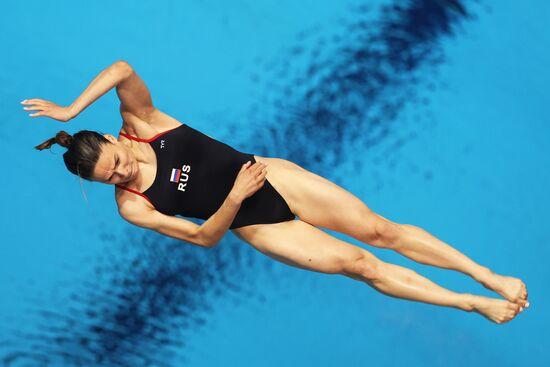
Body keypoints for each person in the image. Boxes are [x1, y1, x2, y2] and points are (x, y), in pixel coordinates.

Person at [25, 60, 528, 324]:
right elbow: (205, 240)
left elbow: (121, 68)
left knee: (381, 230)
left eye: (116, 164)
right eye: (109, 180)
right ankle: (471, 303)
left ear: (115, 139)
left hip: (275, 176)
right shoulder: (134, 207)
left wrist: (70, 110)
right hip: (258, 224)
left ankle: (487, 275)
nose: (122, 174)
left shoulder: (143, 122)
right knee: (362, 266)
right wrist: (235, 196)